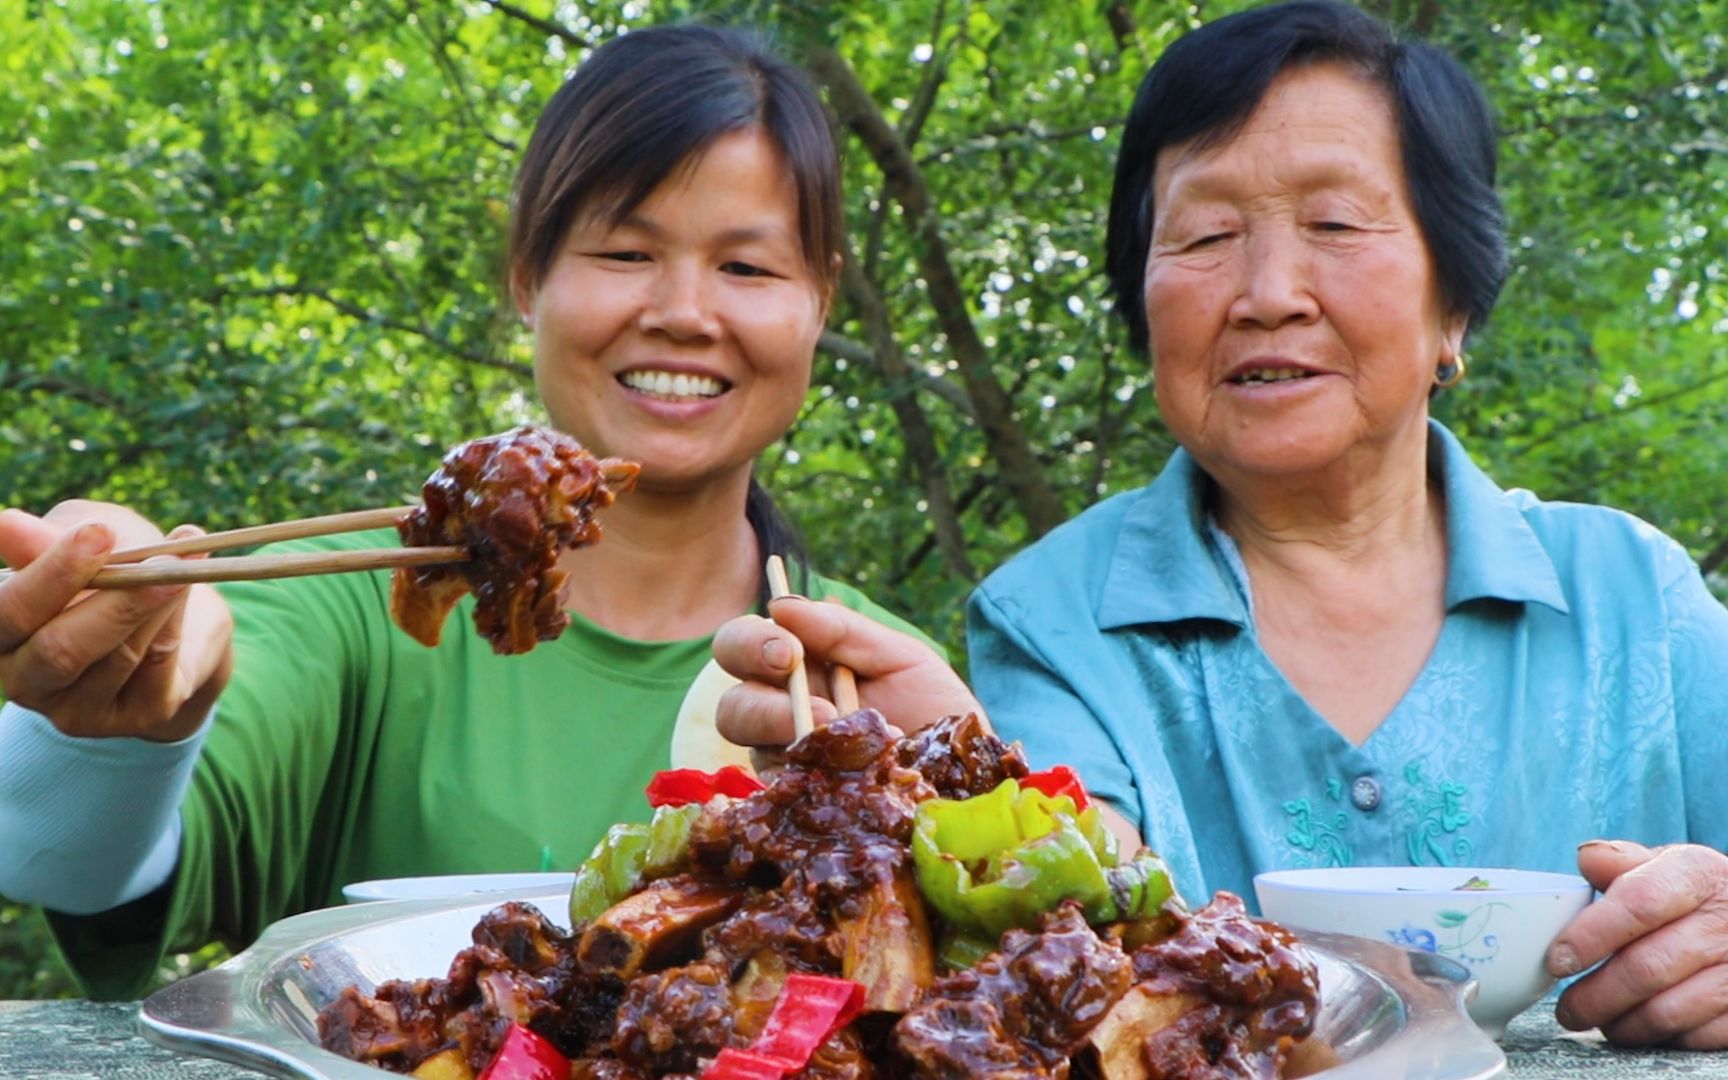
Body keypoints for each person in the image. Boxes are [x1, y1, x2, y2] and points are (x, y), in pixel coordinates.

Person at [712, 0, 1728, 1051]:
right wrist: (960, 783)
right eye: (1203, 236)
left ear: (1454, 306)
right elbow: (1080, 959)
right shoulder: (1054, 620)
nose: (1268, 293)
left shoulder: (1634, 598)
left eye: (1336, 224)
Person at [0, 24, 929, 999]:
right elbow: (59, 861)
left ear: (819, 303)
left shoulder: (879, 688)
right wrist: (133, 683)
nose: (686, 311)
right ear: (527, 277)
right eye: (624, 250)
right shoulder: (359, 609)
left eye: (747, 268)